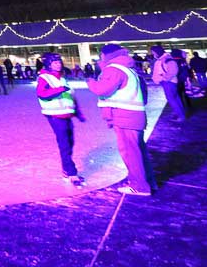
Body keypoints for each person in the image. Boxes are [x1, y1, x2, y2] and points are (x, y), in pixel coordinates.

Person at [87, 44, 157, 196]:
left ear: (106, 56)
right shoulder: (128, 68)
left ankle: (139, 186)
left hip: (125, 116)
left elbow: (102, 89)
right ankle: (148, 181)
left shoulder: (114, 69)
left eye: (101, 56)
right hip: (134, 115)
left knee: (131, 153)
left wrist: (91, 82)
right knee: (138, 151)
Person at [36, 53, 85, 188]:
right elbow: (42, 94)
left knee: (69, 143)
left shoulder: (62, 78)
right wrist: (59, 90)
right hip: (55, 115)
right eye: (55, 62)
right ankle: (71, 173)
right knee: (64, 144)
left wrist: (78, 112)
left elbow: (70, 96)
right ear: (48, 64)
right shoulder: (44, 78)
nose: (58, 64)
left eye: (59, 62)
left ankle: (66, 169)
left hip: (67, 115)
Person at [150, 46, 186, 121]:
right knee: (175, 98)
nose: (153, 54)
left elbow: (173, 70)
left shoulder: (167, 59)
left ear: (157, 52)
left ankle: (181, 115)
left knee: (172, 99)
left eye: (153, 52)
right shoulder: (164, 59)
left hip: (169, 82)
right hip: (168, 82)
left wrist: (165, 78)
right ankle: (179, 113)